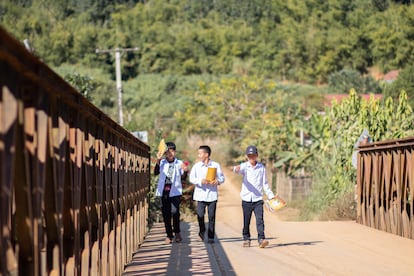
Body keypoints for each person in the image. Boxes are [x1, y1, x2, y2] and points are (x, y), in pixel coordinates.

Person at [233, 145, 274, 248]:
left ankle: (261, 239)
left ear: (257, 156)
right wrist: (236, 168)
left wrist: (271, 196)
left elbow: (265, 183)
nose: (251, 158)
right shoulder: (244, 166)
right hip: (246, 198)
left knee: (260, 220)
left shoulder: (261, 168)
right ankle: (246, 238)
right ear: (247, 156)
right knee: (247, 220)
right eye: (249, 156)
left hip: (258, 199)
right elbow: (237, 170)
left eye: (253, 155)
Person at [189, 145, 225, 243]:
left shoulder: (216, 165)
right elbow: (191, 178)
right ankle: (201, 232)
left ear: (206, 154)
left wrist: (217, 181)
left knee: (211, 216)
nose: (199, 155)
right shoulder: (196, 166)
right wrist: (201, 181)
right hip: (200, 195)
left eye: (200, 153)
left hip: (212, 195)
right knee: (200, 215)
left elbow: (222, 178)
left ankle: (211, 236)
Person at [154, 142, 188, 244]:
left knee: (175, 212)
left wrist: (185, 171)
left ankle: (177, 232)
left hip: (175, 192)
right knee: (166, 214)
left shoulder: (179, 163)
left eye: (172, 151)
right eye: (168, 151)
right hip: (164, 192)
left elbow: (183, 178)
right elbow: (155, 172)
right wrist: (158, 160)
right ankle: (169, 235)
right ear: (165, 153)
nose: (170, 153)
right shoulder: (162, 162)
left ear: (175, 152)